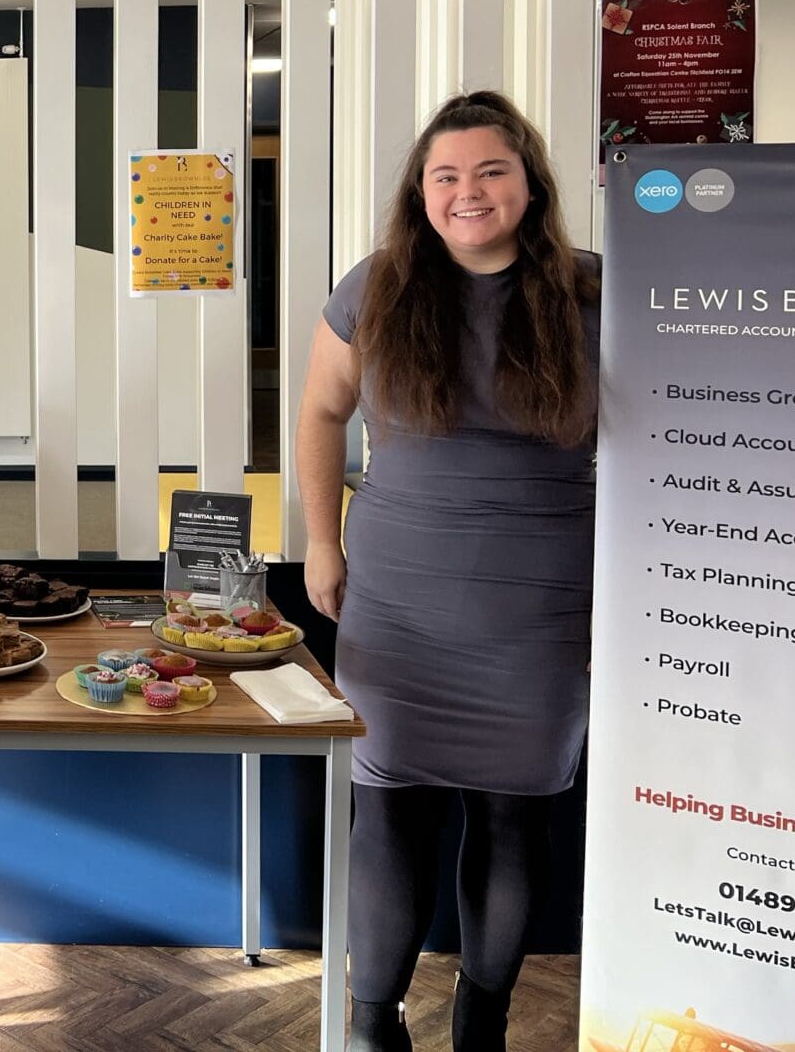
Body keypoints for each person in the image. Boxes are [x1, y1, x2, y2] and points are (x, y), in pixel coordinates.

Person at [297, 91, 599, 1052]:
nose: (469, 193)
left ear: (530, 183)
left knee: (515, 818)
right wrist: (320, 540)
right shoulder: (376, 287)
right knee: (385, 808)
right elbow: (319, 415)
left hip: (547, 599)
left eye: (491, 171)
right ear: (421, 193)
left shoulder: (598, 292)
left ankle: (484, 1020)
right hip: (400, 594)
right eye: (446, 176)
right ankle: (373, 1024)